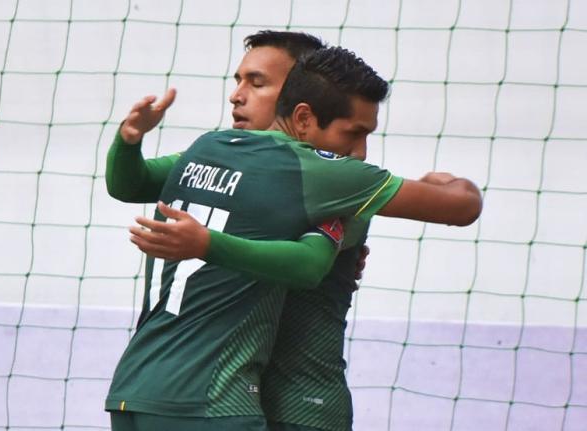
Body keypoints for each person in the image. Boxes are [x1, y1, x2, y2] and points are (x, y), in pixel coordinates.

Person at [106, 33, 481, 431]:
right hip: (246, 402)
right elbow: (310, 264)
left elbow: (129, 184)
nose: (236, 95)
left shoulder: (206, 148)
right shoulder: (324, 176)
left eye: (257, 82)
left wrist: (128, 141)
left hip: (137, 387)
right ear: (302, 111)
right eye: (240, 80)